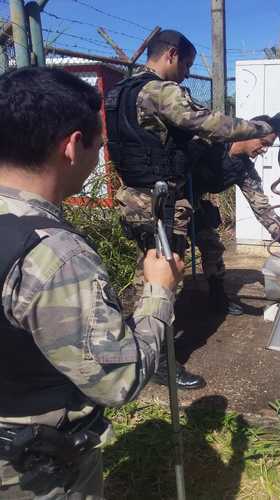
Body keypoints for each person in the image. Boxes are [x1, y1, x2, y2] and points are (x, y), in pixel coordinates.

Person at [0, 67, 183, 500]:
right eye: (97, 146)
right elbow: (119, 381)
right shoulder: (54, 255)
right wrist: (158, 291)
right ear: (71, 146)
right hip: (31, 471)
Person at [105, 29, 280, 388]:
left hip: (145, 197)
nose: (188, 73)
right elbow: (211, 125)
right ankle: (157, 361)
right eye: (187, 64)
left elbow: (258, 202)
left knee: (169, 267)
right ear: (171, 55)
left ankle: (208, 304)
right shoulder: (160, 92)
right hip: (161, 201)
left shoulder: (120, 93)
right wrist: (261, 125)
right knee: (163, 281)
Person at [188, 118, 280, 315]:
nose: (264, 150)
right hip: (171, 198)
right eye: (263, 144)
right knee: (165, 255)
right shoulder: (211, 142)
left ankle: (218, 300)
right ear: (247, 133)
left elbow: (262, 207)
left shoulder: (244, 170)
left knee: (212, 247)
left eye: (269, 146)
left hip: (195, 203)